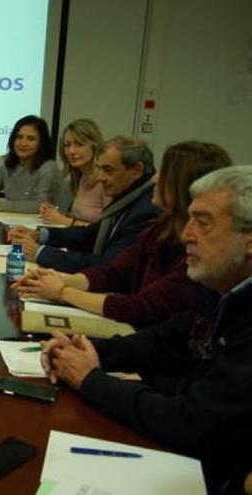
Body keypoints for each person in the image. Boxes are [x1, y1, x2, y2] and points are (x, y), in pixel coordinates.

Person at [38, 166, 252, 494]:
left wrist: (89, 379)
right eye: (190, 219)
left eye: (203, 222)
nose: (187, 235)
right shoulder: (219, 286)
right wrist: (88, 349)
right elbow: (165, 340)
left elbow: (193, 424)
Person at [13, 141, 232, 327]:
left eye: (165, 174)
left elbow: (143, 307)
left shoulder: (176, 234)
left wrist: (62, 291)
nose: (155, 179)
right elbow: (115, 272)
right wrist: (60, 279)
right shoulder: (159, 227)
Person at [8, 136, 161, 273]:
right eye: (101, 169)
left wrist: (40, 253)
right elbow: (89, 234)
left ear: (137, 170)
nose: (101, 177)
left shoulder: (146, 210)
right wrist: (40, 235)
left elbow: (109, 266)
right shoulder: (129, 195)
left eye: (108, 170)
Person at [0, 115, 69, 213]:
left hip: (50, 227)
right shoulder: (9, 166)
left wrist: (0, 205)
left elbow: (40, 205)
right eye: (19, 137)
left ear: (41, 143)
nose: (23, 143)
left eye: (31, 139)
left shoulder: (48, 168)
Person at [40, 118, 108, 227]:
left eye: (79, 144)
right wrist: (56, 214)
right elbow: (81, 219)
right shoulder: (81, 177)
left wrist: (63, 220)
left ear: (94, 147)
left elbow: (107, 231)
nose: (71, 151)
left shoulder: (104, 181)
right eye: (67, 145)